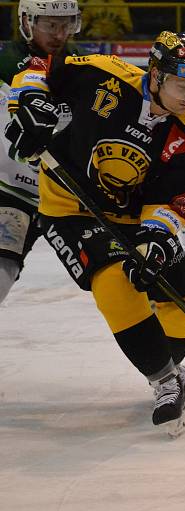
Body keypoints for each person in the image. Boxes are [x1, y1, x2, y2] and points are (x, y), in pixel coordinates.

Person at [5, 31, 185, 435]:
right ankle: (165, 379)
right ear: (156, 73)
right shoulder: (104, 75)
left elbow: (182, 198)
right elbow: (38, 65)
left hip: (133, 219)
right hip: (69, 207)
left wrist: (154, 239)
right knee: (115, 282)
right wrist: (26, 101)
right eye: (182, 84)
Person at [0, 0, 82, 307]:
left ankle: (183, 342)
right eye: (50, 24)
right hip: (14, 190)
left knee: (130, 269)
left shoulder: (79, 63)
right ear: (26, 21)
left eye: (67, 24)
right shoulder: (6, 62)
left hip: (69, 193)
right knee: (3, 270)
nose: (60, 33)